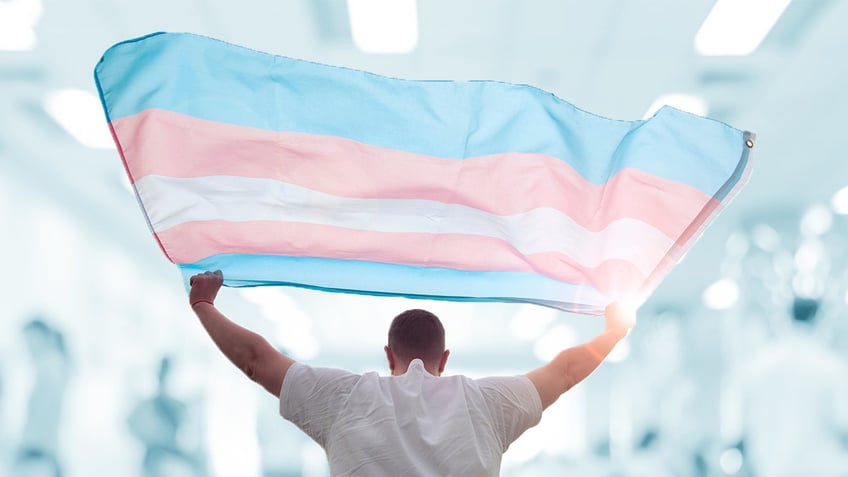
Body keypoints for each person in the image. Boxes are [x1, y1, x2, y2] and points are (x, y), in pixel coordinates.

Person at [188, 270, 634, 476]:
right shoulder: (489, 405)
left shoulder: (346, 400)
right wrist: (614, 331)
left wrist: (204, 304)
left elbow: (256, 360)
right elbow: (567, 371)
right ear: (445, 359)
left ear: (388, 355)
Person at [722, 297, 848, 477]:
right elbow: (844, 425)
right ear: (819, 318)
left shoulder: (754, 368)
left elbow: (735, 434)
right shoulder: (832, 368)